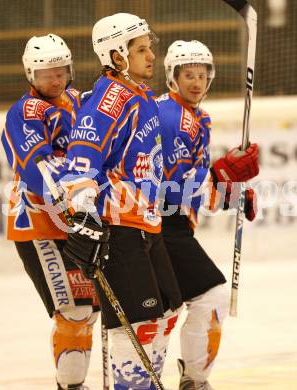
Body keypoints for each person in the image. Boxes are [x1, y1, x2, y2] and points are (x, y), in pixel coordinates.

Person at [60, 13, 183, 390]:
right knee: (141, 324)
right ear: (116, 55)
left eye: (150, 48)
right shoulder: (110, 100)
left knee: (168, 313)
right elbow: (80, 160)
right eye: (141, 50)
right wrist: (83, 216)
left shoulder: (139, 94)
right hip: (119, 228)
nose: (151, 56)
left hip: (146, 222)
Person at [158, 40, 259, 390]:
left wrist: (233, 191)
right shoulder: (170, 118)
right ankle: (194, 381)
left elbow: (197, 191)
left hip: (171, 222)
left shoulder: (197, 117)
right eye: (188, 75)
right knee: (210, 297)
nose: (197, 82)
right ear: (173, 77)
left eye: (202, 75)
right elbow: (170, 188)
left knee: (167, 310)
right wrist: (221, 174)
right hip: (158, 222)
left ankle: (185, 379)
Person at [1, 34, 99, 390]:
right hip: (38, 225)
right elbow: (38, 167)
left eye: (60, 71)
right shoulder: (24, 113)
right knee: (74, 312)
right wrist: (75, 197)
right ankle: (70, 386)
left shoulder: (76, 100)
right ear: (31, 75)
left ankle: (74, 383)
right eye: (46, 74)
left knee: (89, 310)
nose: (55, 80)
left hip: (72, 222)